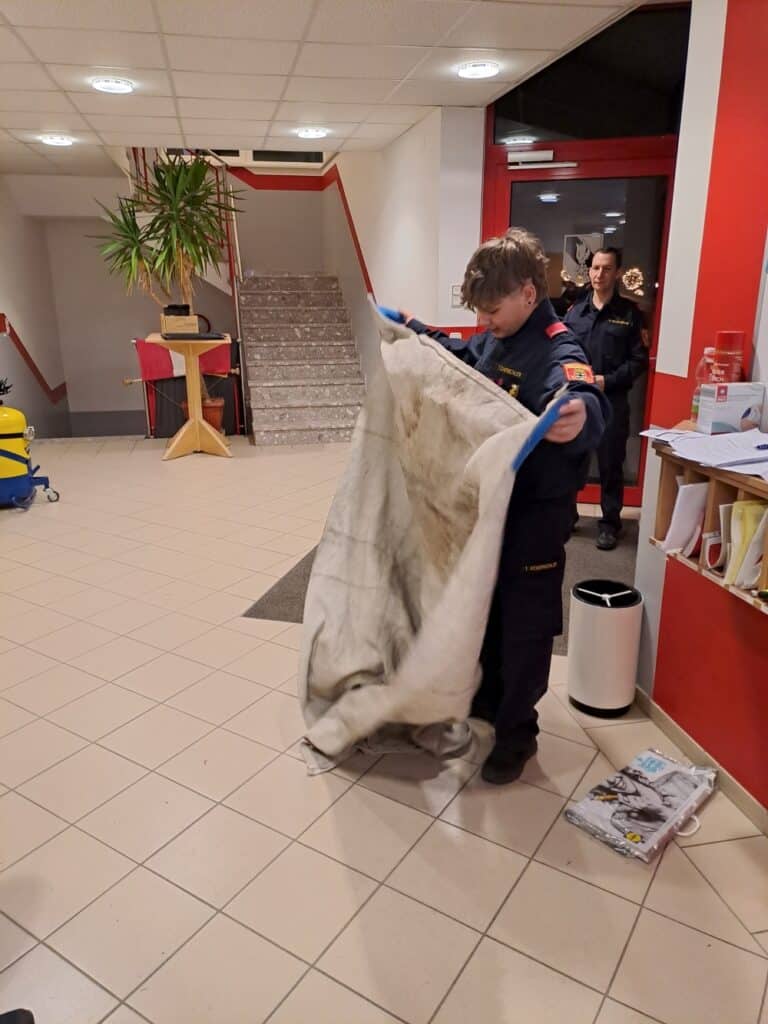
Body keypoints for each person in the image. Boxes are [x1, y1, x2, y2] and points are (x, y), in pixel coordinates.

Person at [383, 228, 609, 785]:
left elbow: (583, 396)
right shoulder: (497, 337)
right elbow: (464, 360)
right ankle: (486, 703)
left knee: (524, 626)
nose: (484, 321)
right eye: (478, 312)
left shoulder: (557, 346)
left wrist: (579, 415)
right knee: (483, 611)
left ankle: (517, 734)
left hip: (534, 518)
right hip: (487, 511)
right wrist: (415, 328)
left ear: (529, 293)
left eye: (492, 310)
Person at [565, 248, 648, 550]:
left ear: (617, 273)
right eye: (595, 268)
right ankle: (568, 516)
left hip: (612, 401)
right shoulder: (575, 311)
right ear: (589, 271)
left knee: (611, 464)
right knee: (572, 459)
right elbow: (563, 350)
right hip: (578, 398)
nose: (600, 274)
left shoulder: (630, 314)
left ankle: (610, 523)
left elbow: (639, 361)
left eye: (606, 268)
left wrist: (607, 380)